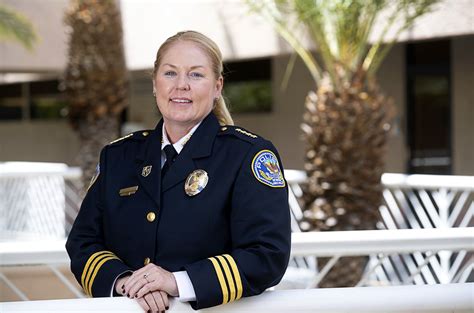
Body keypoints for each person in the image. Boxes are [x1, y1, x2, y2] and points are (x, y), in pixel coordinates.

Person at [66, 30, 291, 312]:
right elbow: (83, 242)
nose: (181, 85)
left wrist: (176, 282)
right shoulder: (118, 157)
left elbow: (267, 255)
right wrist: (128, 283)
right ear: (154, 83)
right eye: (170, 73)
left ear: (217, 86)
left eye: (196, 75)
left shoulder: (247, 155)